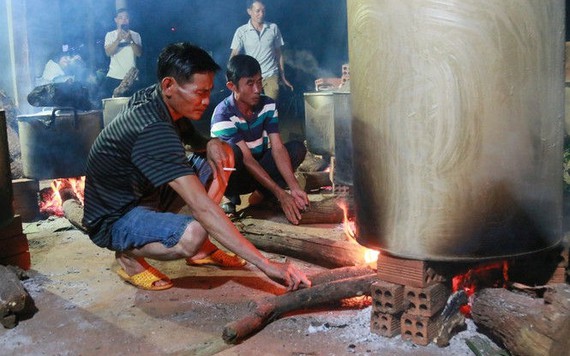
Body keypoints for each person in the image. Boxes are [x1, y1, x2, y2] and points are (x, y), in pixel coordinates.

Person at [82, 42, 310, 292]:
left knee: (224, 153)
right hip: (116, 216)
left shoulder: (155, 97)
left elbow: (192, 140)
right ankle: (127, 257)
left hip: (144, 191)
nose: (205, 101)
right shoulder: (153, 128)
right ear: (169, 85)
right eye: (199, 93)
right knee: (191, 234)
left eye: (208, 92)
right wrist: (267, 265)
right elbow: (202, 207)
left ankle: (202, 250)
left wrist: (211, 142)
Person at [211, 54, 308, 225]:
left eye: (259, 81)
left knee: (296, 149)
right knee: (234, 152)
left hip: (258, 165)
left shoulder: (268, 105)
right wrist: (281, 194)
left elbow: (277, 148)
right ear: (232, 86)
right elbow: (246, 159)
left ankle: (262, 194)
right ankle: (229, 199)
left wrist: (293, 187)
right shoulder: (222, 115)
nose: (257, 89)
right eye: (250, 83)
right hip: (237, 176)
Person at [229, 0, 293, 101]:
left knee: (271, 106)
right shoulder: (241, 31)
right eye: (257, 11)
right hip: (251, 75)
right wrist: (231, 76)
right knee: (253, 107)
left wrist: (282, 76)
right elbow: (234, 55)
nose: (261, 14)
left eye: (263, 11)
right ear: (249, 11)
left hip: (270, 74)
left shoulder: (273, 28)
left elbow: (279, 54)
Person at [102, 8, 142, 98]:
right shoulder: (110, 35)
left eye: (126, 17)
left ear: (129, 20)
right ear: (116, 20)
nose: (124, 20)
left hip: (131, 78)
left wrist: (130, 40)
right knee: (114, 107)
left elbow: (139, 53)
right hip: (114, 76)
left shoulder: (135, 35)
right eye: (120, 18)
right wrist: (118, 40)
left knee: (131, 108)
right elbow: (108, 53)